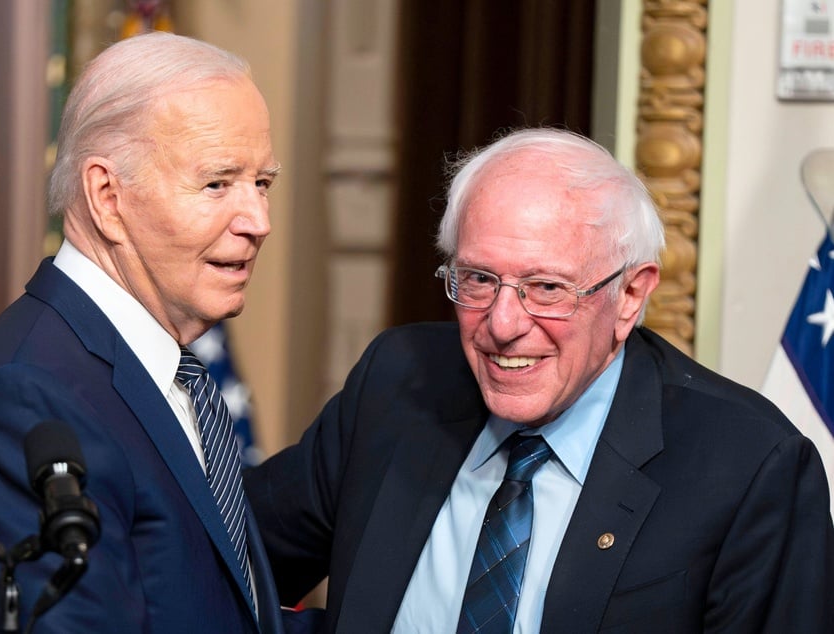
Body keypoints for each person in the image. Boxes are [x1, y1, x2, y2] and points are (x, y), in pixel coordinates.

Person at [242, 128, 834, 632]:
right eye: (477, 279)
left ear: (631, 295)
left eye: (547, 289)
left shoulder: (749, 466)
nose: (502, 325)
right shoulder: (399, 381)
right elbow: (229, 561)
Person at [0, 31, 308, 633]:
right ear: (107, 196)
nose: (259, 221)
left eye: (262, 182)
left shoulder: (168, 373)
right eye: (218, 183)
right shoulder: (24, 397)